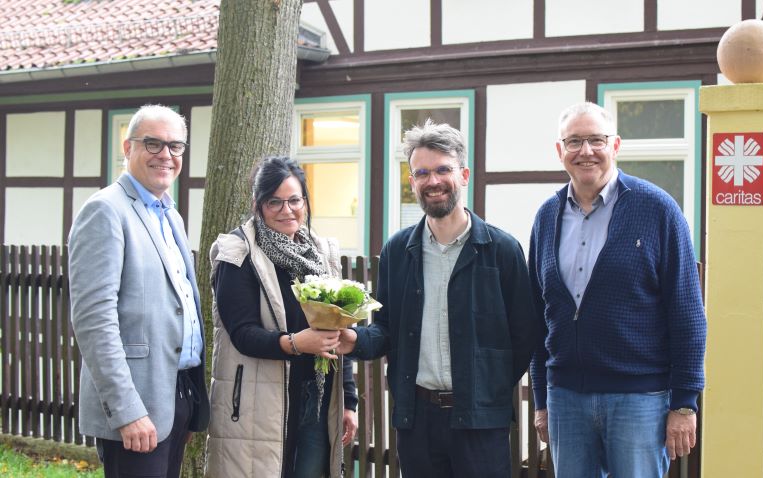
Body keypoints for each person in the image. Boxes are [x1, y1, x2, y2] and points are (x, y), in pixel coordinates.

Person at [338, 120, 539, 478]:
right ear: (412, 182)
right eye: (422, 173)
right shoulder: (398, 251)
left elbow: (524, 335)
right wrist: (354, 339)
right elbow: (386, 329)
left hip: (480, 419)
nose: (433, 181)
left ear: (463, 175)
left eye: (443, 169)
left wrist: (487, 385)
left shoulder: (502, 250)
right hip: (417, 420)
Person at [528, 102, 707, 477]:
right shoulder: (546, 217)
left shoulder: (657, 209)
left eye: (596, 139)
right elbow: (537, 317)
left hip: (639, 400)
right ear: (560, 151)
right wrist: (541, 398)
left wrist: (684, 403)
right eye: (574, 141)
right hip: (566, 400)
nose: (586, 151)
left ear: (616, 145)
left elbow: (688, 314)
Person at [68, 104, 210, 478]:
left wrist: (189, 402)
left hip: (176, 395)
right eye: (153, 143)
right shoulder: (105, 211)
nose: (166, 155)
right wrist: (127, 410)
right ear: (128, 147)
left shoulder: (170, 214)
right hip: (137, 408)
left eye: (175, 146)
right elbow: (94, 322)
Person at [205, 156, 358, 478]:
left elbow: (337, 327)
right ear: (257, 204)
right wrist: (296, 343)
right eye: (274, 202)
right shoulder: (238, 253)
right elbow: (242, 334)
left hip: (317, 398)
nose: (287, 210)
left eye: (294, 200)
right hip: (259, 402)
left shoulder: (318, 253)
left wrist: (348, 401)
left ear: (305, 201)